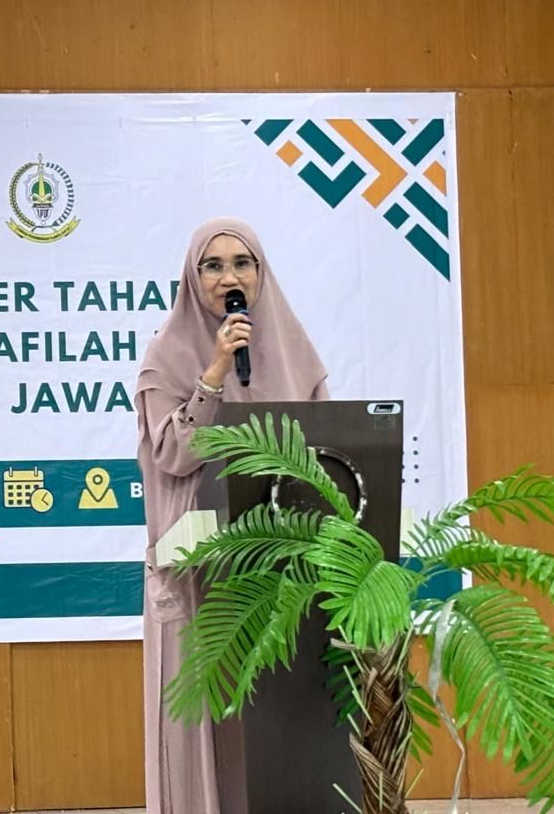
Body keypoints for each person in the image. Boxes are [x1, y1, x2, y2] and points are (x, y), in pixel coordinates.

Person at [135, 216, 328, 814]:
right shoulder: (166, 357)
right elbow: (173, 454)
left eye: (242, 263)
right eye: (212, 266)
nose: (229, 278)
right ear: (192, 279)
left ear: (260, 273)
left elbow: (329, 451)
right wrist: (215, 373)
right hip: (199, 572)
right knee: (208, 717)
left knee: (282, 720)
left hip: (285, 570)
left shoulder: (296, 352)